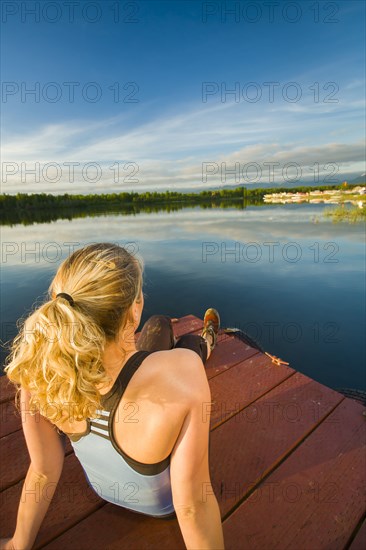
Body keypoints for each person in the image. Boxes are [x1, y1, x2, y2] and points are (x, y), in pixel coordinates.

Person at [1, 242, 225, 550]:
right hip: (163, 508)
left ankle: (166, 333)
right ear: (134, 310)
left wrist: (17, 544)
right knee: (189, 345)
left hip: (104, 491)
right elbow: (192, 506)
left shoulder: (39, 377)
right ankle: (207, 340)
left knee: (158, 324)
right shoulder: (183, 372)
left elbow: (42, 471)